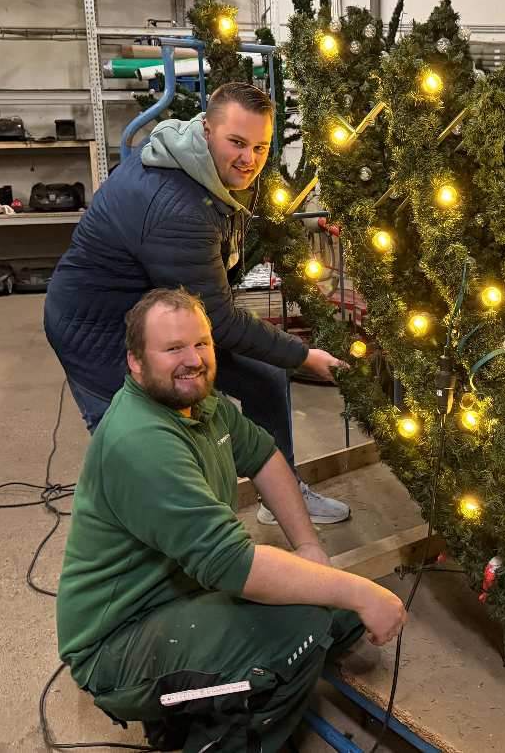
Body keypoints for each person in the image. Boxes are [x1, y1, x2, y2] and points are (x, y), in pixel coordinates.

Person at [56, 289, 407, 752]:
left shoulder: (200, 403)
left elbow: (263, 456)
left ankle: (195, 702)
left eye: (201, 343)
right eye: (173, 348)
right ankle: (204, 735)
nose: (193, 359)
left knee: (335, 615)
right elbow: (233, 565)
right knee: (298, 634)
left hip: (184, 597)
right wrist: (361, 590)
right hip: (118, 643)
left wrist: (308, 547)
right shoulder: (142, 442)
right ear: (136, 363)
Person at [44, 81, 349, 524]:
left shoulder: (207, 170)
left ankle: (279, 496)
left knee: (264, 377)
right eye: (237, 143)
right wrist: (304, 355)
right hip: (99, 331)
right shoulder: (178, 208)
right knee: (144, 438)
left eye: (261, 147)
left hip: (163, 313)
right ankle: (158, 546)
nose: (250, 159)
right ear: (207, 130)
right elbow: (220, 321)